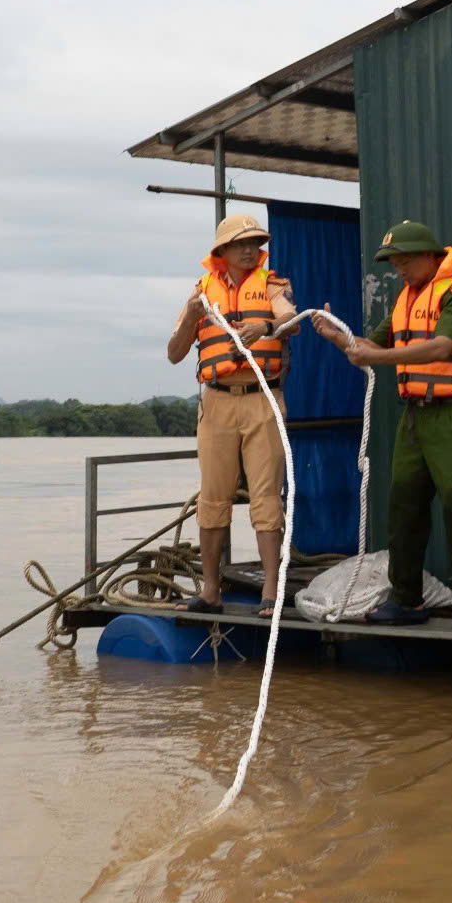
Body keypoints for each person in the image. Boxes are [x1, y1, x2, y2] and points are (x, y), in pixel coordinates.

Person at [317, 220, 452, 633]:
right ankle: (407, 599)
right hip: (414, 416)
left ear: (431, 256)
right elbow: (369, 346)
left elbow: (442, 347)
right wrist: (337, 337)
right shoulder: (406, 299)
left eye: (404, 261)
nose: (399, 269)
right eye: (394, 264)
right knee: (404, 507)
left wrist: (373, 359)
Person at [165, 213, 296, 615]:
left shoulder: (272, 284)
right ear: (221, 250)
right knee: (213, 498)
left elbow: (291, 321)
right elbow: (174, 353)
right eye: (240, 244)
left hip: (262, 397)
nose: (249, 250)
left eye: (254, 243)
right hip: (217, 401)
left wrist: (265, 327)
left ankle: (270, 591)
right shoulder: (202, 292)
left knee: (266, 497)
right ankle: (210, 591)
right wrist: (191, 315)